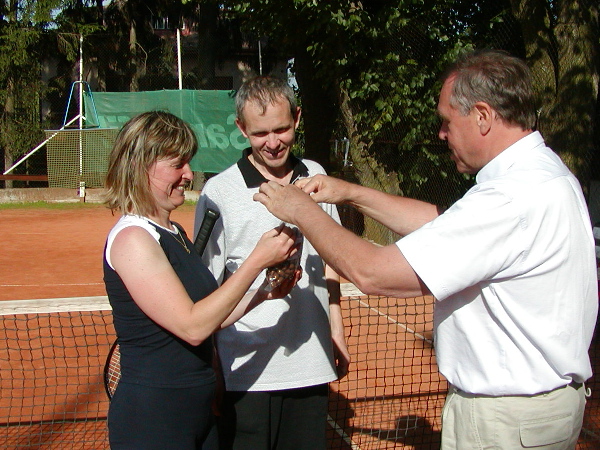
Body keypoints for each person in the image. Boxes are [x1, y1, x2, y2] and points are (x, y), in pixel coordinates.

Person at [254, 50, 598, 449]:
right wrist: (348, 192)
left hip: (505, 419)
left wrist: (302, 210)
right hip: (533, 411)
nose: (441, 133)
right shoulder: (541, 172)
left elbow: (373, 273)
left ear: (482, 116)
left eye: (447, 121)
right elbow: (445, 226)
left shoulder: (509, 197)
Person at [103, 110, 301, 450]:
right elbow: (192, 327)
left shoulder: (174, 232)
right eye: (177, 164)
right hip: (153, 420)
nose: (188, 174)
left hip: (198, 413)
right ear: (140, 167)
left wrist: (264, 292)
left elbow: (210, 317)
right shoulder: (132, 239)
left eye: (188, 162)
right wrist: (257, 260)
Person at [194, 76, 350, 450]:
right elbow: (205, 288)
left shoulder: (317, 177)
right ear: (241, 128)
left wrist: (336, 329)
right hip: (244, 371)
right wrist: (212, 362)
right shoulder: (219, 192)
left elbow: (329, 261)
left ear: (297, 118)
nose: (273, 142)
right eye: (260, 133)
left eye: (281, 129)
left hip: (310, 366)